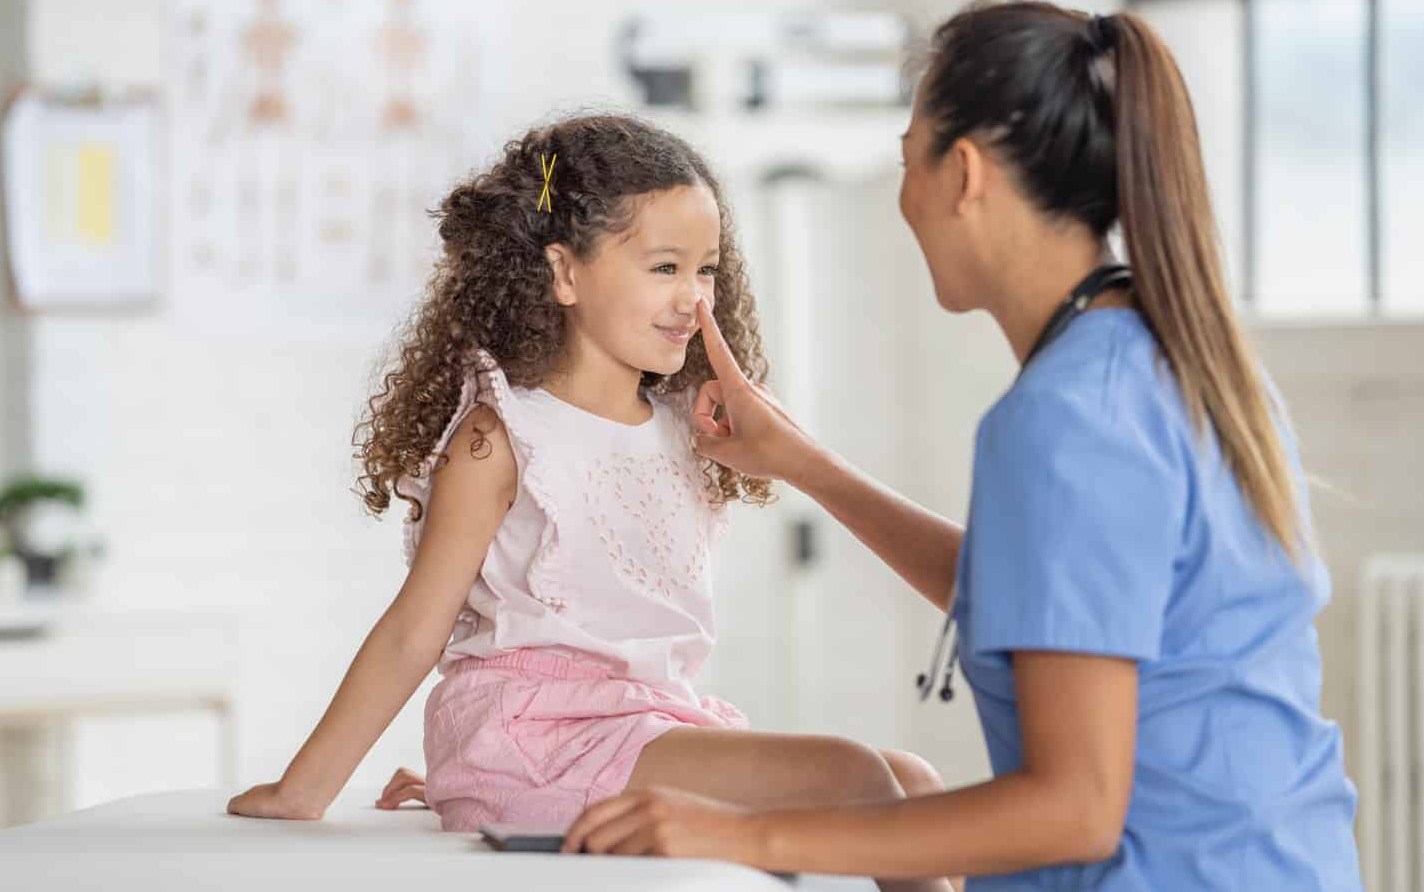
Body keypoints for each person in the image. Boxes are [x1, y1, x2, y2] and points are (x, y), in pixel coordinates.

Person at [563, 0, 1363, 890]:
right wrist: (801, 461)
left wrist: (747, 834)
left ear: (965, 176)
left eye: (909, 162)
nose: (906, 199)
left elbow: (1076, 804)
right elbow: (1046, 597)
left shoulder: (1069, 419)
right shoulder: (1178, 359)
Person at [228, 114, 953, 892]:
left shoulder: (689, 427)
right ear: (565, 274)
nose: (693, 299)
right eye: (664, 267)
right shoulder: (504, 433)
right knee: (855, 777)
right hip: (533, 737)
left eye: (706, 270)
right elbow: (415, 628)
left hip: (650, 726)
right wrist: (304, 788)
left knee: (912, 780)